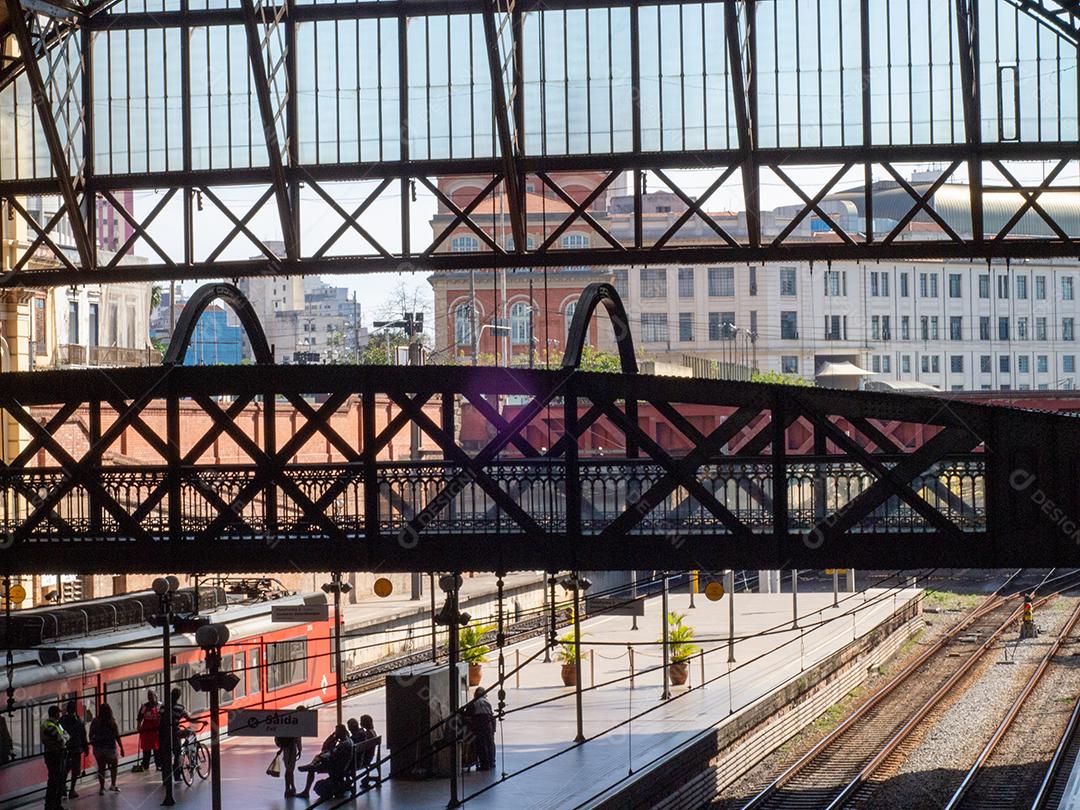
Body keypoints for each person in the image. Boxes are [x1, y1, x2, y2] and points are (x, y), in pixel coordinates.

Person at [296, 724, 350, 800]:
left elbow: (329, 752)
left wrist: (331, 739)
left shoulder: (344, 744)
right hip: (343, 764)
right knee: (321, 756)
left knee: (313, 767)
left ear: (341, 733)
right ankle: (312, 764)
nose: (336, 734)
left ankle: (306, 791)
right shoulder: (347, 741)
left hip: (337, 767)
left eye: (336, 732)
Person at [89, 702, 124, 794]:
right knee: (114, 766)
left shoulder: (95, 721)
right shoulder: (112, 722)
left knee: (101, 768)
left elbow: (90, 734)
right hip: (110, 748)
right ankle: (113, 784)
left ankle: (102, 788)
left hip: (99, 749)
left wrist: (94, 744)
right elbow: (117, 736)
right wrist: (121, 748)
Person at [159, 688, 191, 782]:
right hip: (175, 733)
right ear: (178, 697)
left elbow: (159, 716)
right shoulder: (180, 708)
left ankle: (165, 778)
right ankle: (177, 776)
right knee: (177, 755)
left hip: (164, 734)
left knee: (166, 757)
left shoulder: (163, 707)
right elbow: (188, 717)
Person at [40, 705, 69, 810]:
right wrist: (64, 738)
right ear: (55, 713)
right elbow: (62, 740)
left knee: (58, 780)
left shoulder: (57, 724)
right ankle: (50, 805)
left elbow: (66, 735)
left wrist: (64, 737)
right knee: (54, 781)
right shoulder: (49, 726)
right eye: (58, 712)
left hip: (58, 755)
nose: (60, 714)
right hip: (54, 756)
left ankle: (56, 804)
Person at [59, 700, 88, 799]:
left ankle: (62, 788)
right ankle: (72, 790)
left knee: (65, 769)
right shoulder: (79, 721)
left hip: (65, 749)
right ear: (75, 709)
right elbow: (83, 736)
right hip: (76, 749)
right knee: (75, 771)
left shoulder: (62, 720)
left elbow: (60, 733)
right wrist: (86, 748)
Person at [466, 687, 496, 771]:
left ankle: (484, 765)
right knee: (490, 743)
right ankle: (492, 762)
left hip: (479, 724)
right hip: (489, 723)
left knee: (481, 745)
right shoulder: (487, 702)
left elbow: (467, 714)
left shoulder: (473, 703)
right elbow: (491, 714)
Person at [134, 691, 162, 772]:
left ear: (156, 696)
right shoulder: (144, 706)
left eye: (152, 696)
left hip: (156, 731)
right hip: (146, 731)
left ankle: (159, 765)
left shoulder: (160, 706)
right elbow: (140, 717)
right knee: (146, 749)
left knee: (157, 749)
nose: (150, 698)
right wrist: (138, 726)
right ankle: (145, 764)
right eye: (149, 696)